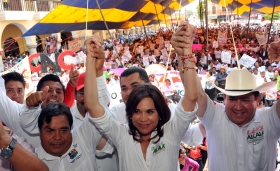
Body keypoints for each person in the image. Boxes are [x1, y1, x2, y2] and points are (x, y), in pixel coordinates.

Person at [171, 20, 280, 171]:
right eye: (232, 99)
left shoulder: (270, 119)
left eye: (245, 99)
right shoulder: (215, 116)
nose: (238, 106)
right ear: (225, 99)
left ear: (258, 100)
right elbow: (195, 92)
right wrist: (184, 52)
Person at [84, 28, 199, 171]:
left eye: (150, 111)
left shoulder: (172, 132)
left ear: (160, 112)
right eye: (137, 111)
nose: (143, 118)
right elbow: (91, 104)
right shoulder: (121, 135)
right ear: (130, 113)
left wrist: (185, 51)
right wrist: (90, 60)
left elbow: (192, 96)